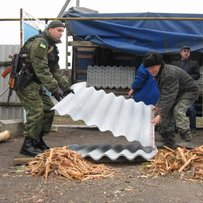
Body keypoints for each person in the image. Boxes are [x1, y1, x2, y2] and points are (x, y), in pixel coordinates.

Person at [15, 20, 74, 157]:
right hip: (26, 83)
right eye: (59, 30)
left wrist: (65, 88)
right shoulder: (40, 44)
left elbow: (55, 71)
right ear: (50, 29)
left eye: (62, 31)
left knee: (48, 109)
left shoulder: (52, 47)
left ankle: (37, 141)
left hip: (36, 84)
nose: (61, 34)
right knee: (36, 111)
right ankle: (28, 145)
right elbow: (41, 70)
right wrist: (54, 89)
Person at [142, 52, 199, 149]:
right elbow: (164, 92)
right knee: (165, 115)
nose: (150, 71)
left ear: (159, 65)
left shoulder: (169, 74)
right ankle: (169, 142)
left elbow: (169, 95)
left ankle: (187, 140)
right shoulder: (158, 73)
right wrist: (158, 105)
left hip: (188, 92)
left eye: (152, 68)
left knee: (178, 110)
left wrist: (160, 114)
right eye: (148, 69)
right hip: (175, 93)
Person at [171, 46, 200, 133]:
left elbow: (197, 75)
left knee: (192, 110)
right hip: (177, 90)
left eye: (188, 51)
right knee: (176, 109)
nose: (186, 53)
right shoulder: (175, 63)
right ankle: (177, 128)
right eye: (184, 51)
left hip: (189, 90)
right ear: (181, 53)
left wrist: (187, 78)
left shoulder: (194, 63)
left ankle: (193, 128)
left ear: (189, 53)